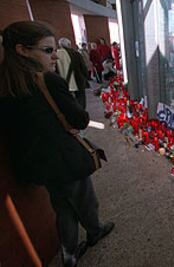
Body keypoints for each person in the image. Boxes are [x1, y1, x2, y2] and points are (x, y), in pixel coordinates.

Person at [0, 21, 114, 267]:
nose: (55, 57)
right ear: (23, 50)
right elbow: (81, 120)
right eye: (48, 50)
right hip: (64, 159)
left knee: (62, 206)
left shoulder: (7, 85)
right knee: (85, 200)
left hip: (36, 165)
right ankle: (94, 232)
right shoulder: (48, 81)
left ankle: (70, 254)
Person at [56, 37, 89, 109]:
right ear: (69, 44)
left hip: (63, 83)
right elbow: (83, 68)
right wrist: (86, 77)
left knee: (69, 102)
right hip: (78, 81)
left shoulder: (56, 54)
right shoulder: (76, 54)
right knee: (81, 101)